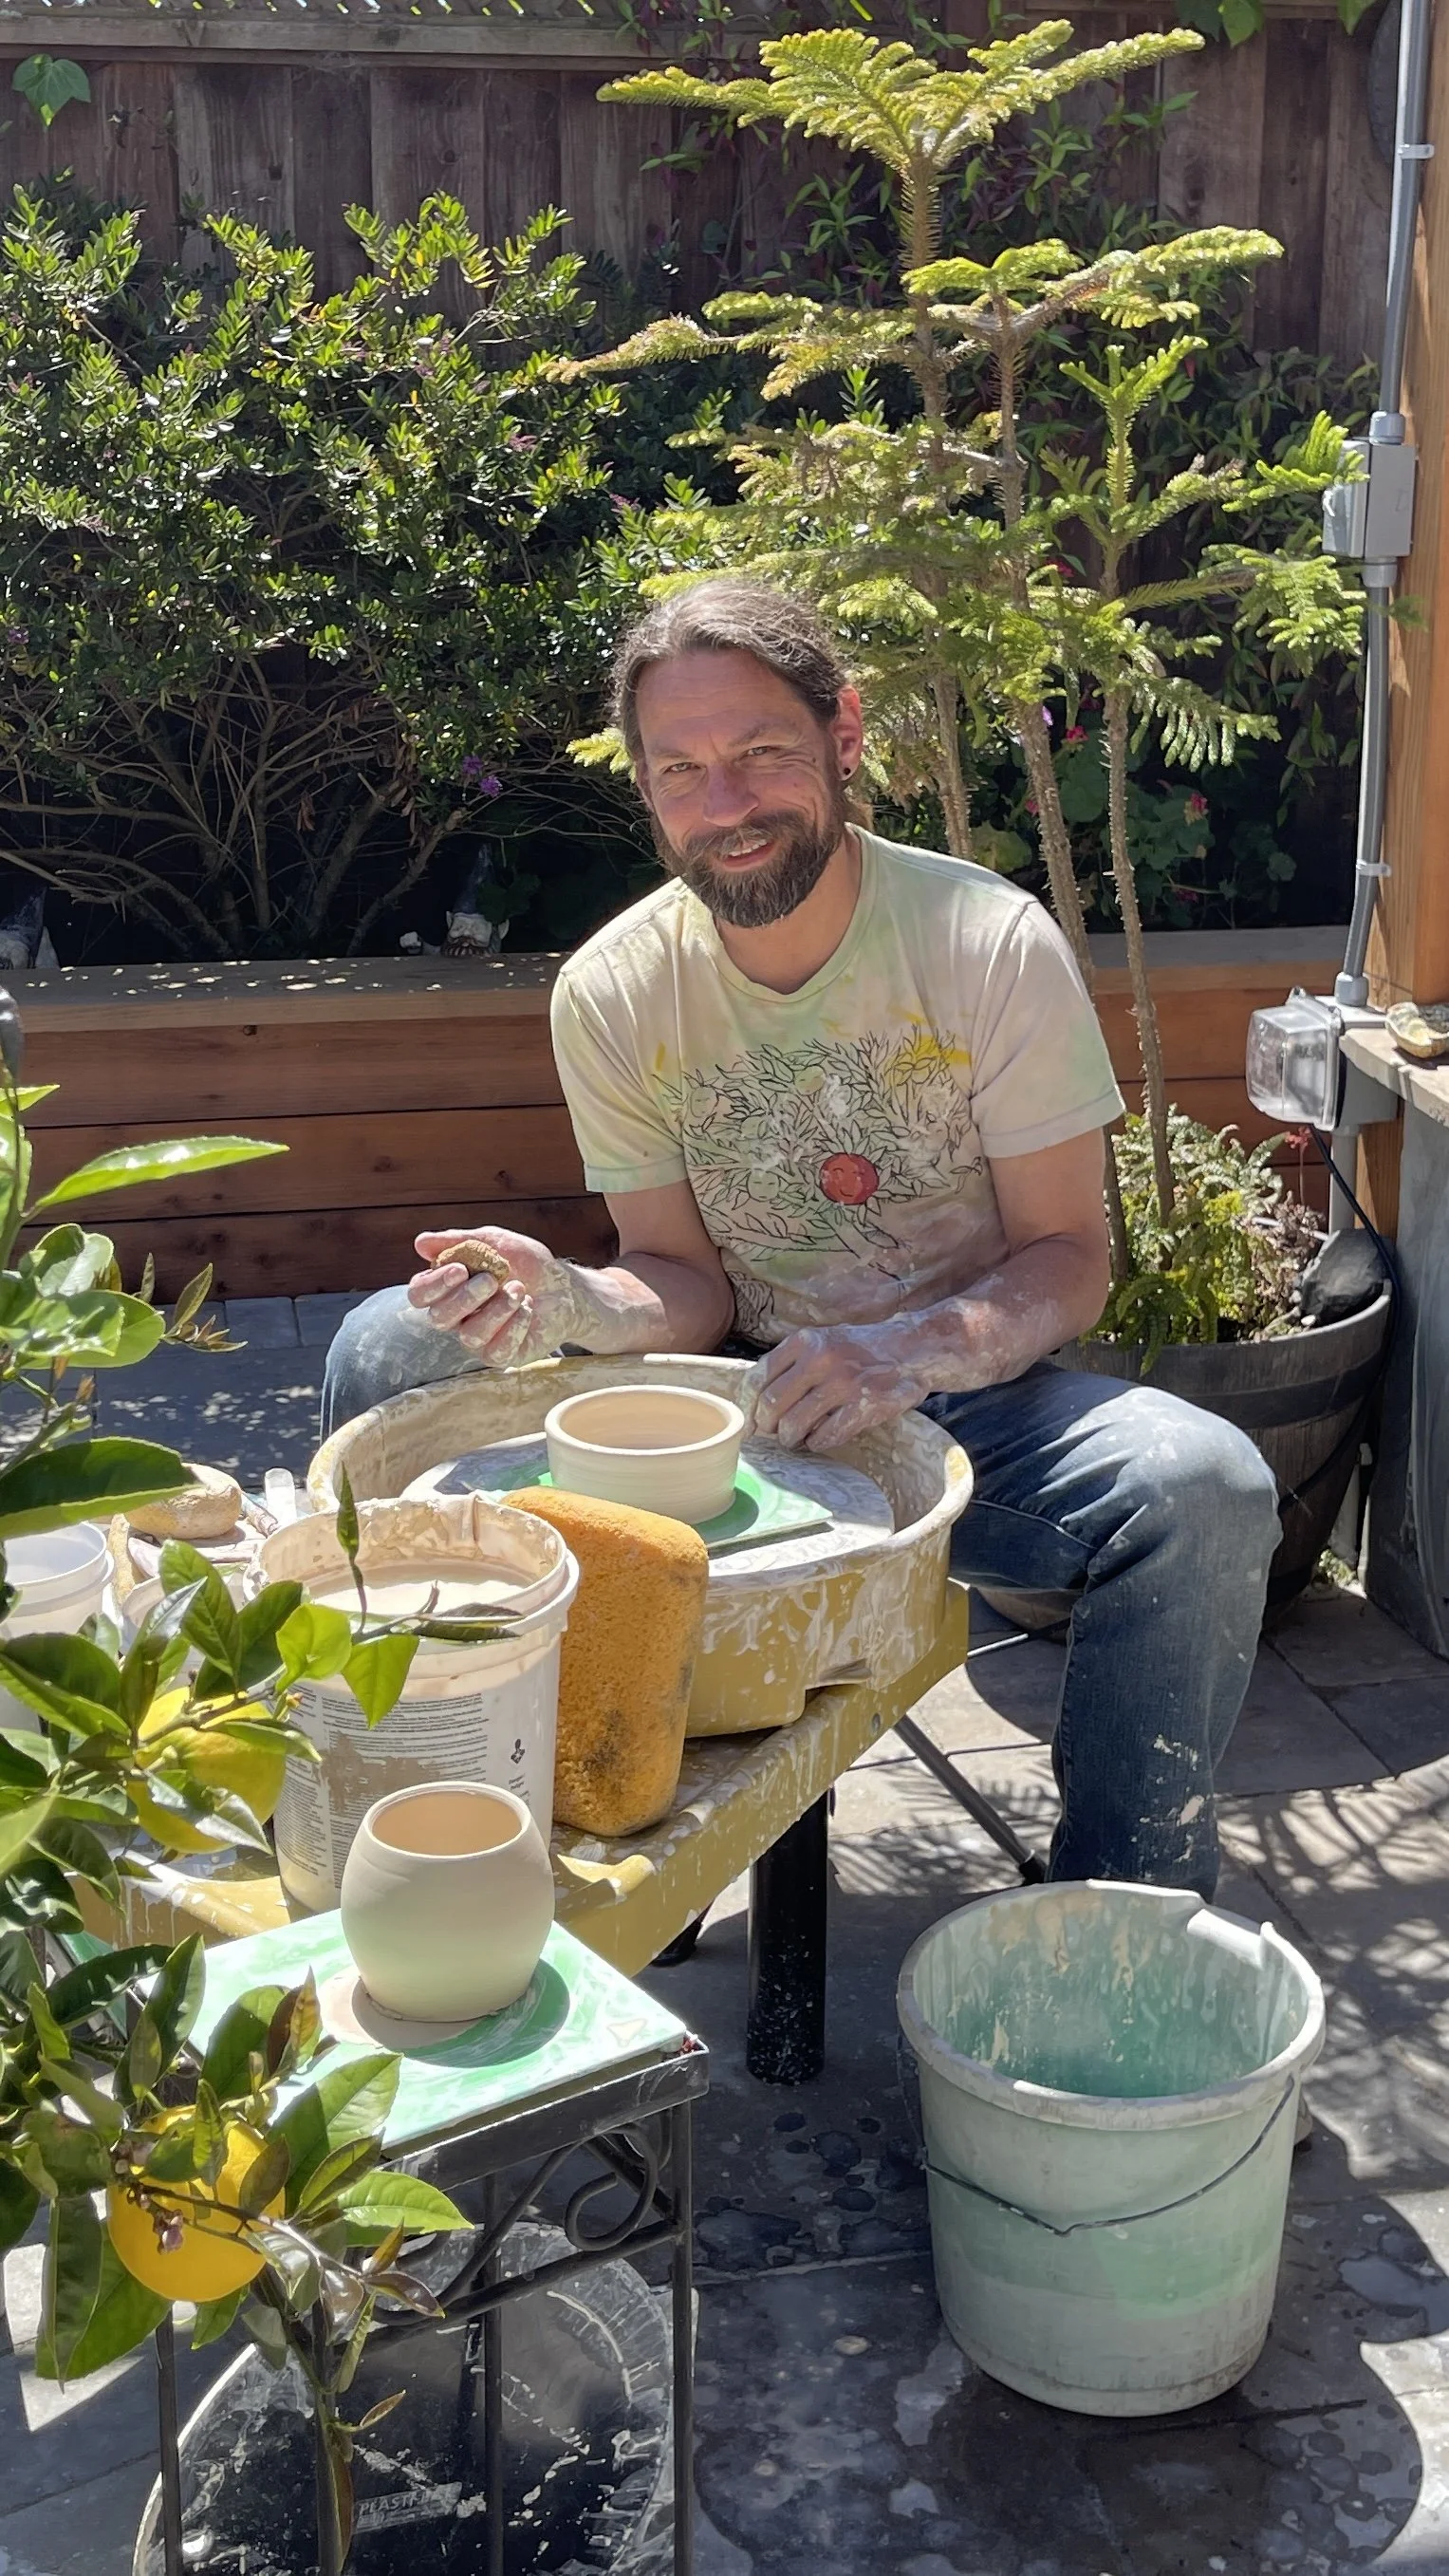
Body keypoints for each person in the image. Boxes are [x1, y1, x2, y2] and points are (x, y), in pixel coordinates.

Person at [324, 578, 1280, 1897]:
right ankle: (444, 1818)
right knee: (389, 1347)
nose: (726, 804)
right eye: (682, 770)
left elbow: (1069, 1257)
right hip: (723, 1391)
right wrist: (570, 1301)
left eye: (763, 751)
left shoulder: (985, 943)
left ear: (844, 735)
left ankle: (1120, 1921)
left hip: (954, 1400)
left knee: (1201, 1486)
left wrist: (913, 1350)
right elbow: (683, 1284)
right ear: (646, 788)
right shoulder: (613, 987)